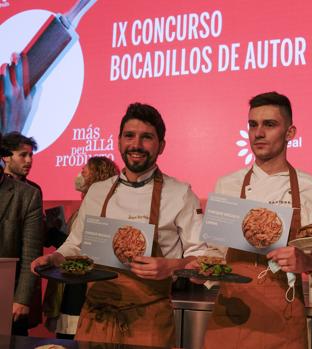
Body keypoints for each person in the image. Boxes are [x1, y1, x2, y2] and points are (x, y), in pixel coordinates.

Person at [31, 103, 207, 347]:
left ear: (161, 145)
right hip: (95, 319)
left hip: (149, 323)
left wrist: (172, 266)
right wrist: (54, 259)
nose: (136, 145)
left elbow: (202, 260)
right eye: (129, 136)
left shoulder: (180, 194)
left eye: (147, 137)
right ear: (119, 140)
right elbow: (76, 244)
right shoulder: (97, 191)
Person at [201, 92, 312, 348]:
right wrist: (203, 269)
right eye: (253, 125)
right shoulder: (226, 185)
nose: (258, 133)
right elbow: (213, 253)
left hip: (282, 322)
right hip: (230, 316)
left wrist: (307, 262)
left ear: (290, 132)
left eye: (269, 124)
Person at [43, 156, 119, 339]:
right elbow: (74, 241)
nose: (80, 174)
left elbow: (89, 244)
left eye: (85, 171)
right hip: (71, 282)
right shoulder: (83, 206)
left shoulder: (107, 206)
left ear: (98, 175)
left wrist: (55, 234)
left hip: (85, 287)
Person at [0, 132, 43, 336]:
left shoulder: (30, 193)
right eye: (23, 155)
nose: (29, 161)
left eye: (30, 155)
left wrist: (23, 298)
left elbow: (31, 250)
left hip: (8, 292)